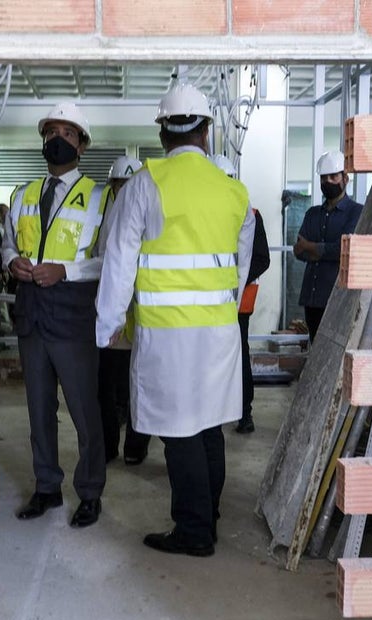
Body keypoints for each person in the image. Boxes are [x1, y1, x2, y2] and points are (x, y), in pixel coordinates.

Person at [96, 82, 255, 557]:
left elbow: (119, 262)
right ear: (207, 131)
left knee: (179, 430)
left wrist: (105, 327)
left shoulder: (146, 184)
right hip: (219, 333)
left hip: (168, 335)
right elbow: (238, 268)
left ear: (163, 134)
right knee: (209, 426)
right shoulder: (235, 192)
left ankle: (193, 531)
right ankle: (210, 513)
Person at [2, 102, 108, 529]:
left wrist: (67, 270)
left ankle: (90, 492)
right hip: (31, 316)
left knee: (85, 412)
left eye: (68, 132)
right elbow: (7, 241)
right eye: (51, 132)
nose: (57, 139)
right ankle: (47, 487)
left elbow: (109, 260)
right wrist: (12, 261)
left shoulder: (101, 197)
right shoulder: (22, 193)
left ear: (81, 144)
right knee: (38, 410)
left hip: (73, 318)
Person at [96, 156, 152, 466]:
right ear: (113, 185)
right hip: (114, 318)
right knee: (107, 386)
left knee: (138, 387)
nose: (124, 189)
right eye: (119, 184)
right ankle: (108, 445)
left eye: (128, 184)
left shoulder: (149, 211)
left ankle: (136, 445)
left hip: (143, 316)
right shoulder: (105, 215)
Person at [211, 154, 270, 434]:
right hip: (209, 299)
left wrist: (235, 278)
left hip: (239, 301)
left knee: (240, 355)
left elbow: (262, 258)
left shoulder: (251, 214)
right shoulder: (205, 214)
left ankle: (244, 413)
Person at [293, 150, 364, 344]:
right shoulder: (312, 214)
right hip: (312, 298)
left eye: (333, 176)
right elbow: (299, 251)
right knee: (316, 349)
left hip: (337, 299)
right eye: (324, 178)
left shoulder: (356, 212)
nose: (328, 182)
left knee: (335, 352)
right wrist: (323, 251)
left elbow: (345, 251)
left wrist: (313, 248)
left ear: (345, 178)